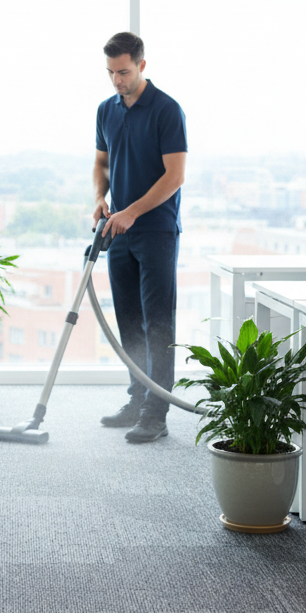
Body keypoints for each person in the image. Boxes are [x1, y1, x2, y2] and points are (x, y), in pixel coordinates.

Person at [93, 32, 186, 443]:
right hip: (119, 232)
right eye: (111, 73)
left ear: (142, 66)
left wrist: (132, 211)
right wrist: (100, 197)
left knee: (158, 323)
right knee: (129, 321)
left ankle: (156, 412)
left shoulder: (167, 110)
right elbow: (101, 161)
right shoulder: (106, 110)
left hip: (156, 231)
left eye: (124, 72)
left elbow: (175, 176)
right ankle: (136, 398)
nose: (117, 80)